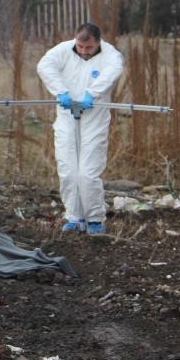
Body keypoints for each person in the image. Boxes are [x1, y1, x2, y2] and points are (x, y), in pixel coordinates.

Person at [36, 22, 124, 235]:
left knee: (88, 172)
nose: (84, 51)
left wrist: (92, 94)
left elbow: (112, 73)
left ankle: (94, 218)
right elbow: (44, 66)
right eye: (81, 47)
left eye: (89, 48)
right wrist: (61, 91)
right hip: (67, 118)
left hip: (93, 120)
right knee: (68, 171)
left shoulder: (111, 55)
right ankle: (74, 217)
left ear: (98, 43)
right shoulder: (64, 50)